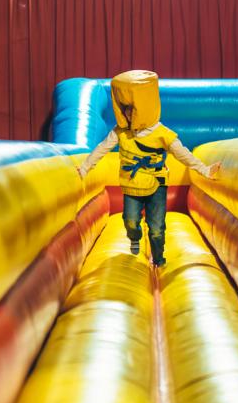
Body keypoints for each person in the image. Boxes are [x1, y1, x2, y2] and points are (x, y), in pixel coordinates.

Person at [77, 70, 221, 267]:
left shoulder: (163, 134)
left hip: (156, 185)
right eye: (125, 109)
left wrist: (205, 170)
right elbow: (102, 149)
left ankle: (159, 259)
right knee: (130, 220)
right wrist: (85, 167)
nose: (128, 113)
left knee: (156, 228)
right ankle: (134, 237)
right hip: (132, 185)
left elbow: (183, 155)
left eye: (131, 109)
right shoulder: (121, 133)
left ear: (142, 109)